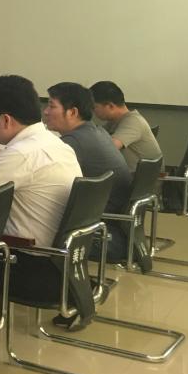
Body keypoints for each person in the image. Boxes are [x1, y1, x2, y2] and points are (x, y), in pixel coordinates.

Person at [0, 75, 82, 246]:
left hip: (24, 253)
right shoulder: (57, 144)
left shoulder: (21, 154)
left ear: (6, 119)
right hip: (58, 251)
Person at [44, 82, 131, 262]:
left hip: (100, 232)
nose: (45, 112)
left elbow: (43, 177)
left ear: (72, 112)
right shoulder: (96, 131)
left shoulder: (74, 143)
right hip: (113, 227)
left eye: (51, 106)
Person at [89, 81, 162, 170]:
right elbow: (96, 138)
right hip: (133, 174)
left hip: (144, 177)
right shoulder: (115, 121)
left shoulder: (134, 121)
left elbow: (109, 148)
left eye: (95, 107)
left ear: (110, 106)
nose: (93, 111)